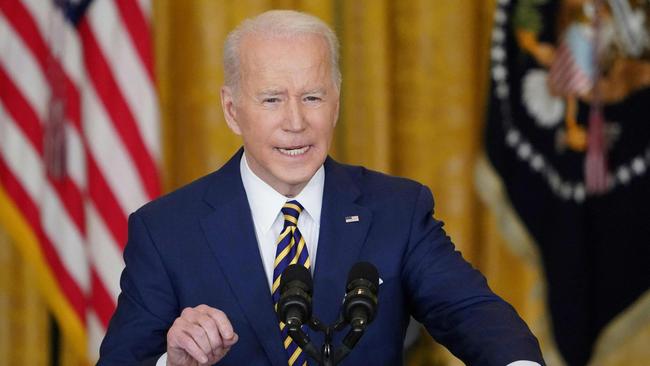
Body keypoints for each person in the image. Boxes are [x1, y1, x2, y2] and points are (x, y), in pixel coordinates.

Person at [98, 10, 545, 366]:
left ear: (335, 103)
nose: (296, 122)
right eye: (272, 99)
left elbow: (470, 312)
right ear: (232, 111)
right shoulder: (166, 231)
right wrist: (173, 364)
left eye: (312, 97)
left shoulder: (397, 210)